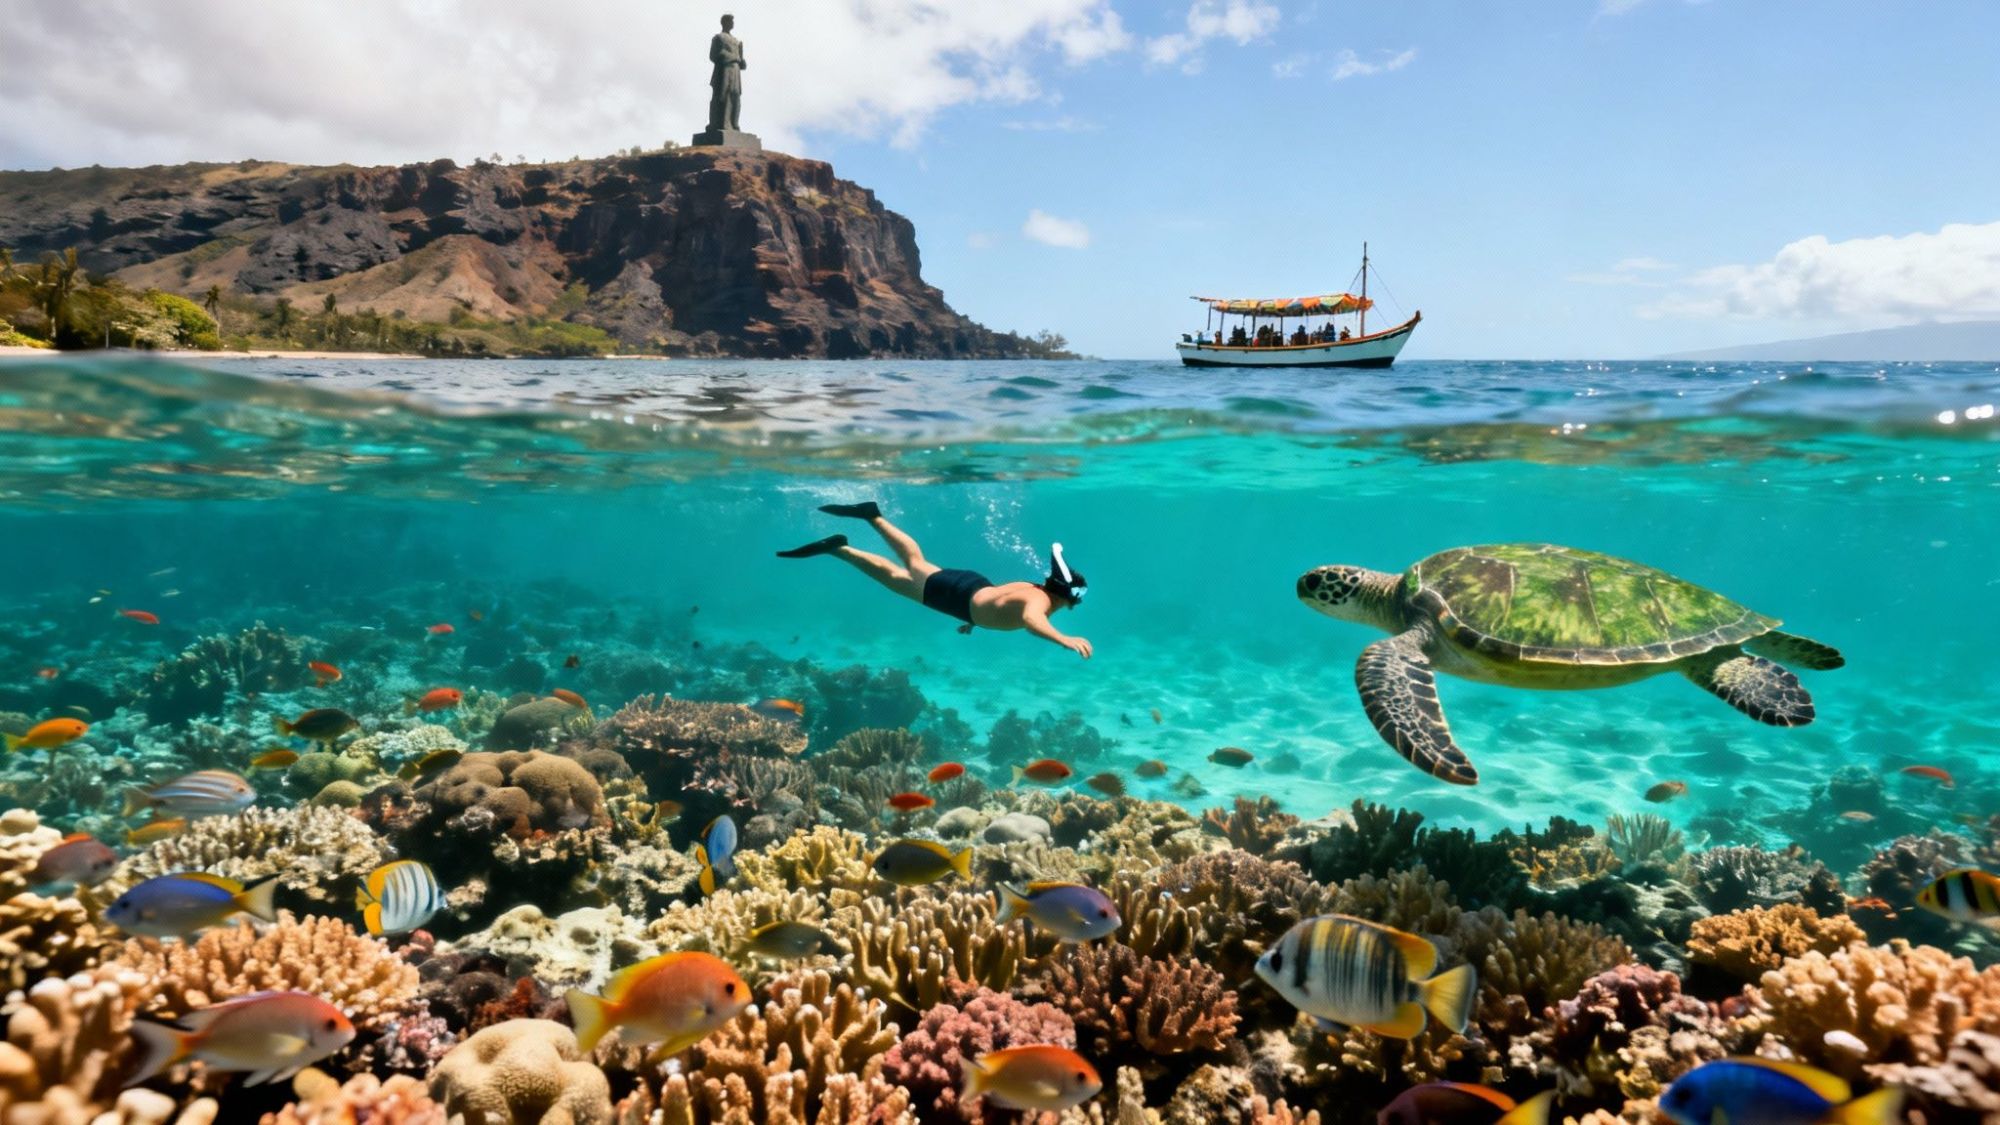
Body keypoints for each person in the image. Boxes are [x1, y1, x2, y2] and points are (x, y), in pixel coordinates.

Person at [777, 502, 1092, 659]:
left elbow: (1002, 604)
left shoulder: (1034, 588)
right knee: (904, 572)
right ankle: (865, 524)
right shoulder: (1040, 602)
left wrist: (976, 622)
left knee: (907, 573)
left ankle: (841, 546)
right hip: (959, 597)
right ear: (1069, 597)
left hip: (969, 592)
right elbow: (1030, 620)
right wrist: (1064, 640)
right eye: (1076, 601)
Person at [707, 14, 747, 133]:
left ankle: (734, 124)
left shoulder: (736, 41)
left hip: (735, 71)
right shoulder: (718, 38)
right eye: (730, 21)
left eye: (732, 21)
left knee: (735, 95)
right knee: (722, 96)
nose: (732, 23)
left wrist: (741, 60)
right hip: (723, 70)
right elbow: (713, 55)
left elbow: (742, 62)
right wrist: (734, 57)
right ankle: (720, 124)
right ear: (724, 23)